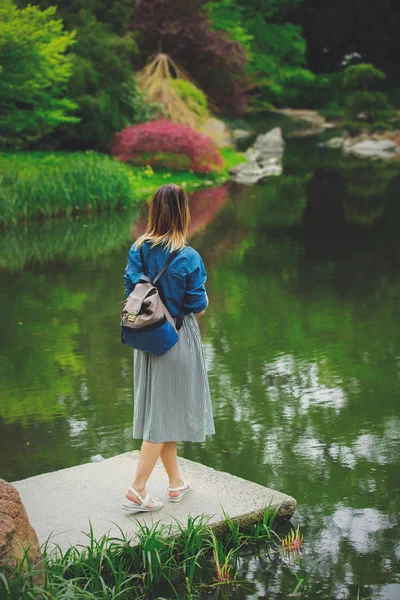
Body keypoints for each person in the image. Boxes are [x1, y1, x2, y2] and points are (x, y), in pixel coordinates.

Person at [122, 184, 215, 512]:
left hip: (146, 338)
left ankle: (176, 483)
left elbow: (131, 289)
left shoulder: (139, 249)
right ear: (183, 213)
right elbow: (196, 304)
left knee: (163, 411)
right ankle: (137, 488)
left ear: (154, 211)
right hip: (175, 339)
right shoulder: (189, 257)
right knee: (161, 418)